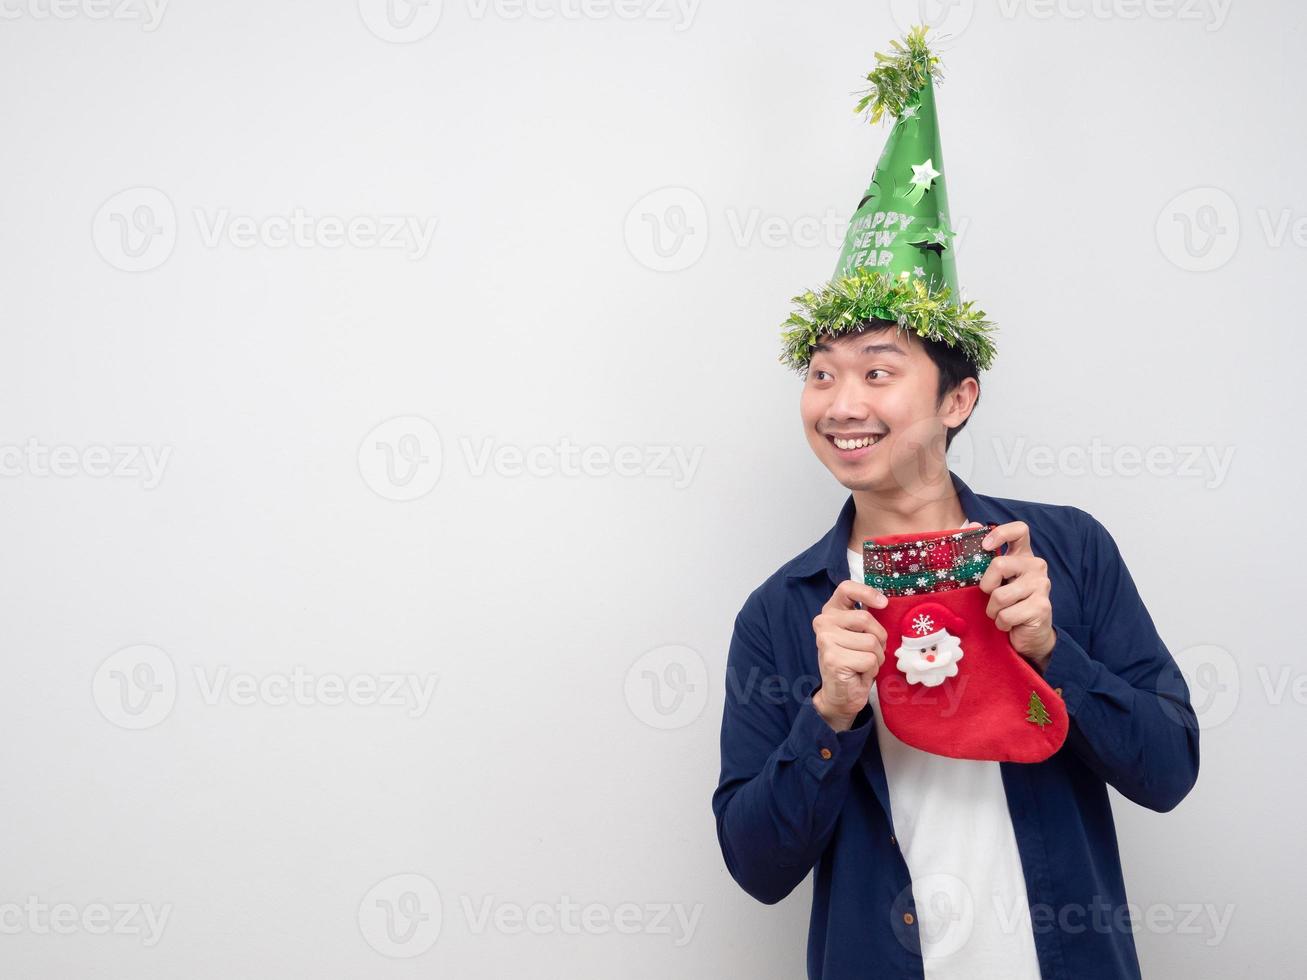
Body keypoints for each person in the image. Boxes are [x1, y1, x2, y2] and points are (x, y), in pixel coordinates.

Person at [711, 27, 1199, 980]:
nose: (841, 403)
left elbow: (1168, 771)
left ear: (955, 399)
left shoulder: (1065, 553)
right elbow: (755, 863)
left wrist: (1056, 652)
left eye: (878, 372)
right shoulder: (783, 613)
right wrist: (831, 710)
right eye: (820, 374)